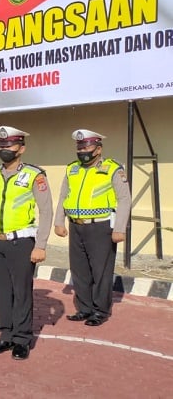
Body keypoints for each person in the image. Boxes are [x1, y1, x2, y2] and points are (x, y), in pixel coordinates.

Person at [0, 126, 52, 361]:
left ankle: (22, 339)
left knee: (21, 291)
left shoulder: (34, 175)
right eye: (1, 145)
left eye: (9, 145)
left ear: (21, 149)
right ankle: (5, 335)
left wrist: (41, 245)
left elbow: (46, 211)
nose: (4, 149)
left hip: (21, 242)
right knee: (2, 291)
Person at [54, 129, 131, 327]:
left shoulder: (113, 168)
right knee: (79, 270)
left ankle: (100, 310)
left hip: (101, 227)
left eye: (86, 146)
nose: (82, 150)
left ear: (98, 149)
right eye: (79, 147)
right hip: (76, 226)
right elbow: (64, 196)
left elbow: (124, 199)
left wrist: (120, 228)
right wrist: (59, 221)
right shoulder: (72, 169)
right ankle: (84, 308)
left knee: (100, 271)